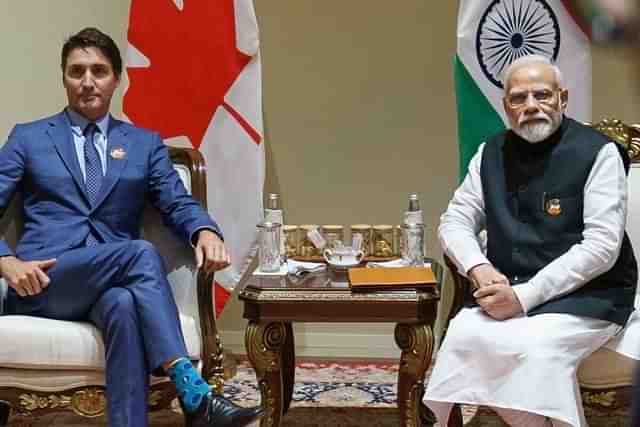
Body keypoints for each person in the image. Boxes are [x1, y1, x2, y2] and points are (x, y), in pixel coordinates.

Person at [0, 27, 262, 427]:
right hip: (46, 281)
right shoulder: (29, 138)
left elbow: (176, 200)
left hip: (112, 282)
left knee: (123, 304)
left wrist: (204, 231)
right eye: (76, 71)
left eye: (99, 71)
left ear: (116, 79)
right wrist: (7, 262)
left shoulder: (144, 144)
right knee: (140, 253)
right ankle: (193, 391)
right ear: (64, 77)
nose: (87, 81)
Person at [424, 54, 638, 427]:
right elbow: (455, 220)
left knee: (535, 349)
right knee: (463, 333)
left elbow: (601, 248)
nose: (531, 106)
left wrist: (524, 297)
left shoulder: (598, 152)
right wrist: (480, 268)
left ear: (563, 99)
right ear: (506, 105)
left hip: (590, 295)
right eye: (519, 98)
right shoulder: (490, 153)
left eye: (542, 95)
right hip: (510, 290)